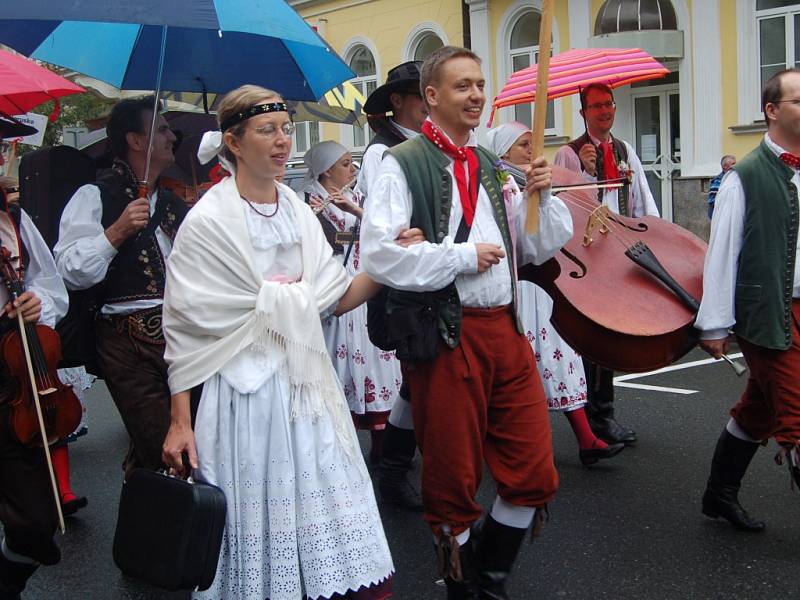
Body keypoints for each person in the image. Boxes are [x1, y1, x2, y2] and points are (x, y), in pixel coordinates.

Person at [161, 85, 394, 600]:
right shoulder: (208, 222)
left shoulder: (295, 208)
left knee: (331, 509)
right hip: (246, 398)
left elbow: (333, 296)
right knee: (261, 516)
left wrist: (390, 260)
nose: (283, 140)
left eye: (286, 129)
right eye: (268, 130)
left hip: (307, 385)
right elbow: (184, 326)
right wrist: (180, 420)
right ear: (234, 143)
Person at [361, 46, 572, 598]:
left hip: (505, 329)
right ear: (431, 97)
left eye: (480, 84)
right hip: (449, 335)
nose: (476, 95)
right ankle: (472, 587)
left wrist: (542, 197)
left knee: (534, 471)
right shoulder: (400, 164)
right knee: (453, 478)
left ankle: (485, 569)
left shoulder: (492, 165)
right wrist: (456, 256)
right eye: (462, 86)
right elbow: (380, 257)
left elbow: (540, 243)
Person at [54, 96, 187, 477]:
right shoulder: (95, 194)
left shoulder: (175, 205)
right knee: (165, 448)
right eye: (161, 129)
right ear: (134, 139)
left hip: (181, 339)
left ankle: (144, 523)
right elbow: (69, 270)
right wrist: (115, 233)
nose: (171, 136)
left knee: (183, 441)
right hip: (125, 340)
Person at [696, 68, 800, 533]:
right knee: (797, 416)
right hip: (766, 316)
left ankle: (718, 495)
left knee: (758, 409)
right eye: (799, 100)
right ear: (772, 111)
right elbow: (723, 251)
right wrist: (714, 324)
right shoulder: (747, 176)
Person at [487, 122, 624, 466]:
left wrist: (548, 194)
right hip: (518, 288)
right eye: (523, 145)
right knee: (517, 371)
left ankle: (586, 438)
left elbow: (553, 231)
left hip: (543, 287)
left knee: (557, 357)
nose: (531, 152)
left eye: (533, 144)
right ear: (502, 153)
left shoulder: (530, 183)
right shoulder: (498, 184)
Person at [554, 83, 660, 447]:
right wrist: (584, 173)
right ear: (583, 112)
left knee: (612, 334)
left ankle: (602, 413)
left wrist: (654, 236)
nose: (604, 111)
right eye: (596, 106)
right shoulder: (568, 154)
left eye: (608, 104)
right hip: (588, 255)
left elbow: (641, 197)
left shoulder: (624, 150)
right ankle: (596, 416)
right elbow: (563, 209)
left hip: (621, 249)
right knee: (592, 336)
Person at [300, 140, 402, 465]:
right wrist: (351, 225)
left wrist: (358, 214)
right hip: (337, 298)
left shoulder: (358, 197)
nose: (352, 169)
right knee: (336, 372)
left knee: (379, 369)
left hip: (364, 295)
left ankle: (383, 445)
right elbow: (329, 242)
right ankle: (336, 450)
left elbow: (383, 234)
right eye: (345, 163)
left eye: (352, 162)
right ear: (327, 169)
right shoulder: (309, 202)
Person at [359, 60, 427, 511]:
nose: (429, 103)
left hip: (432, 275)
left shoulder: (431, 145)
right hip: (405, 280)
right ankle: (395, 467)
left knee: (419, 376)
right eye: (420, 95)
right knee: (418, 375)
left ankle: (395, 463)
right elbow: (388, 229)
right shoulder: (382, 152)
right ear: (397, 102)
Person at [0, 185, 69, 597]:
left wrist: (36, 302)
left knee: (36, 522)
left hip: (12, 377)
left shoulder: (16, 220)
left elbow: (51, 286)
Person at [707, 154, 736, 219]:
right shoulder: (718, 180)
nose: (736, 166)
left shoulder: (733, 177)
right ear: (725, 166)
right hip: (719, 216)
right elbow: (712, 200)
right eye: (733, 164)